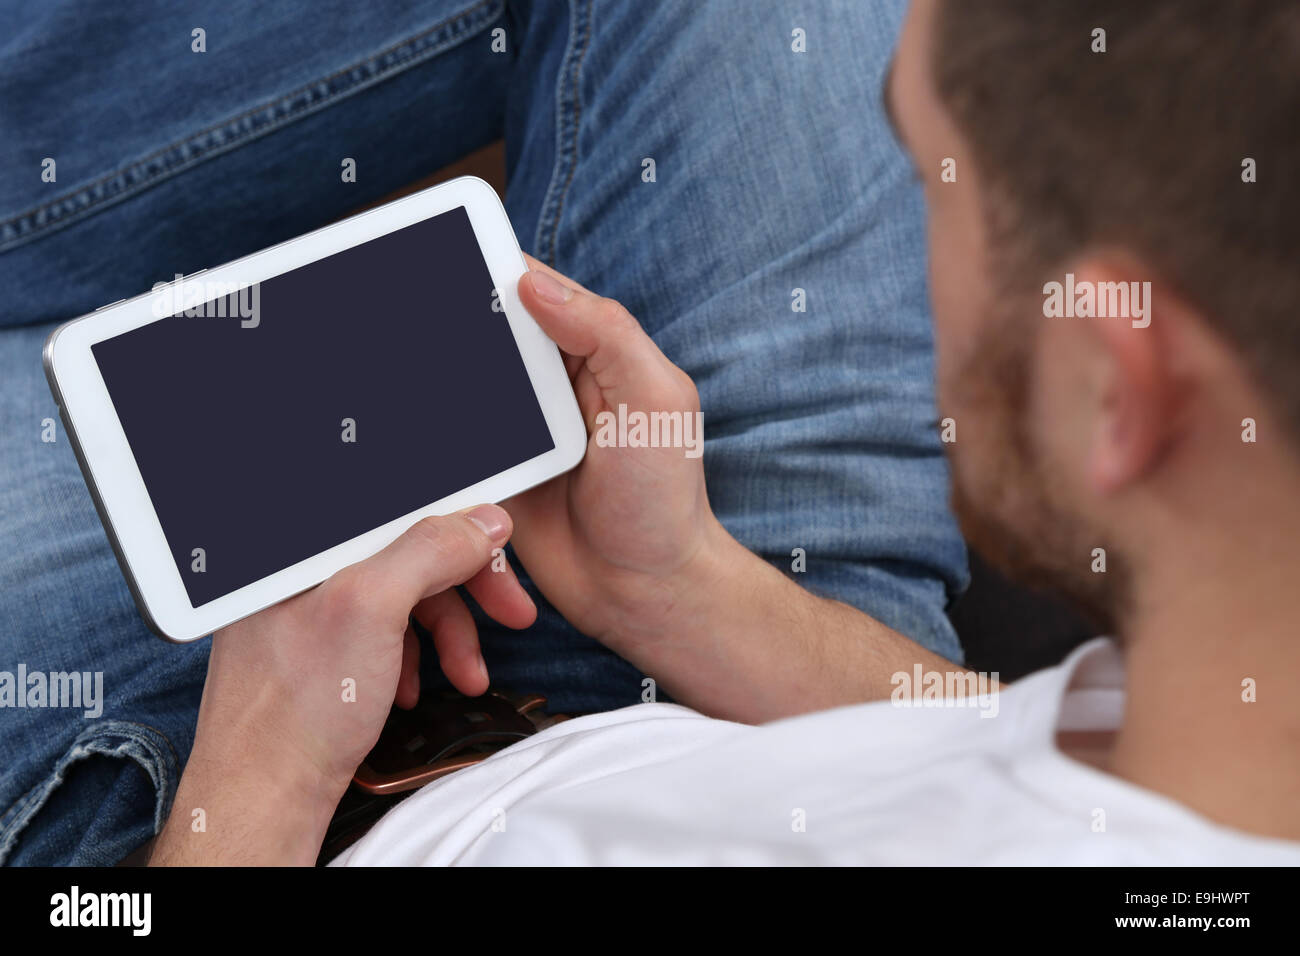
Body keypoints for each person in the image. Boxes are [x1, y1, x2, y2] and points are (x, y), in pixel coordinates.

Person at [157, 0, 1300, 865]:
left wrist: (255, 776)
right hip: (724, 643)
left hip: (316, 795)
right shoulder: (1218, 724)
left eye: (937, 193)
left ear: (1116, 386)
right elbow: (1003, 753)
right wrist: (678, 588)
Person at [0, 1, 963, 864]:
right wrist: (676, 590)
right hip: (772, 652)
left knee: (135, 415)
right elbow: (1023, 756)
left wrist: (264, 779)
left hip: (206, 787)